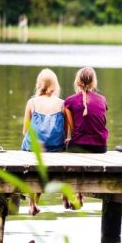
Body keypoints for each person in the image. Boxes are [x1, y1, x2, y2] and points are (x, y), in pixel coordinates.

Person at [21, 68, 67, 215]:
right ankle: (36, 203)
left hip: (35, 148)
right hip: (56, 147)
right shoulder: (62, 104)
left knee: (33, 152)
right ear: (55, 86)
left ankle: (32, 203)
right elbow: (65, 132)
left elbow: (25, 130)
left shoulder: (32, 102)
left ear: (38, 85)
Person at [64, 67, 109, 209]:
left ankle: (70, 195)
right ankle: (79, 195)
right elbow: (101, 123)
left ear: (77, 82)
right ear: (94, 83)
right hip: (100, 147)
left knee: (69, 151)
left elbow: (72, 130)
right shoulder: (102, 100)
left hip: (78, 145)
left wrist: (68, 140)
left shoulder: (69, 101)